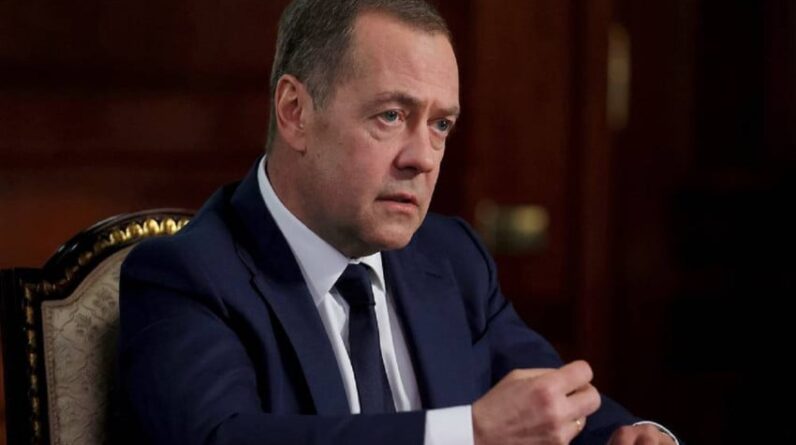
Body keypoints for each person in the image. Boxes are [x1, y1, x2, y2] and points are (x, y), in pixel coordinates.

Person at [117, 1, 679, 444]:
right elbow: (224, 438)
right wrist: (467, 436)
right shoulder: (187, 276)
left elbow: (548, 404)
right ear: (295, 112)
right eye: (391, 115)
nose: (424, 158)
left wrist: (628, 435)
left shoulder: (452, 258)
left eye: (441, 125)